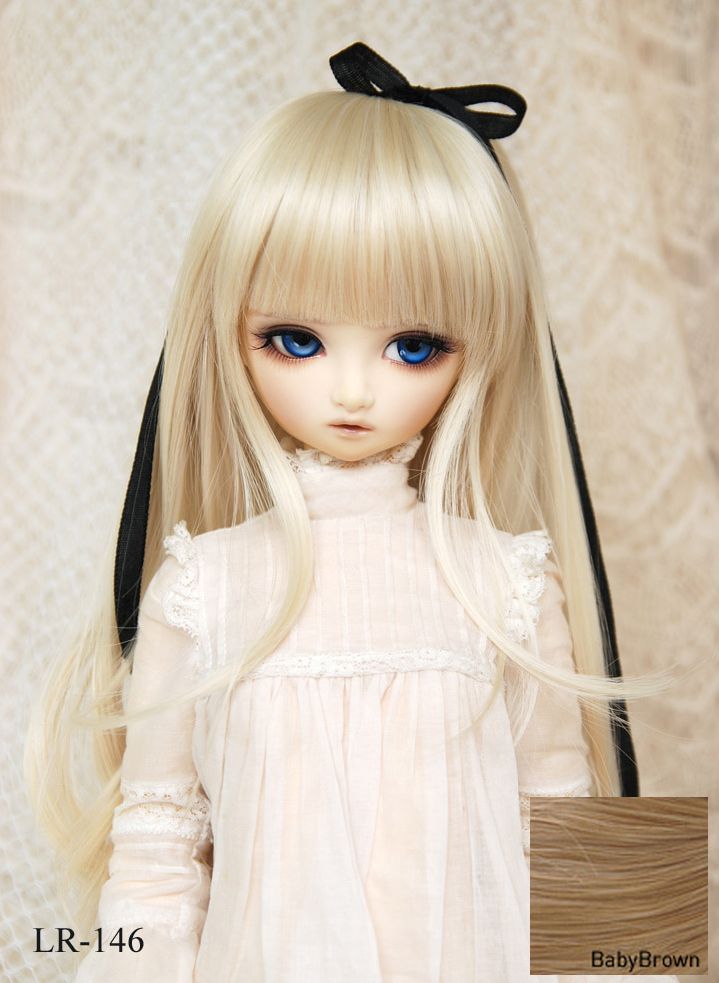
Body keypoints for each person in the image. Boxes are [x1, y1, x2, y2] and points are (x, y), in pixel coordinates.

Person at [26, 42, 675, 983]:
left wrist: (641, 956)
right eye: (296, 340)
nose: (354, 391)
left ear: (482, 344)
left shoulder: (510, 579)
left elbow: (573, 829)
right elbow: (155, 862)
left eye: (414, 345)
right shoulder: (202, 587)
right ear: (225, 331)